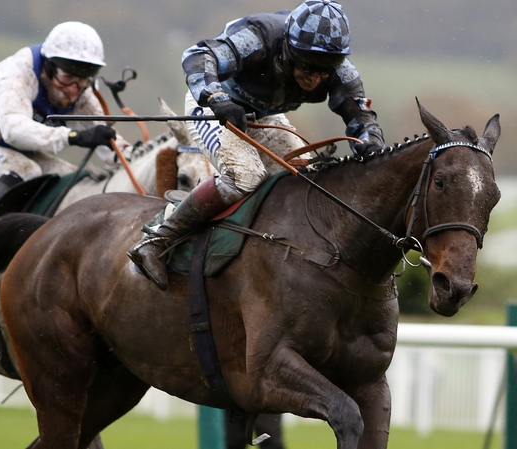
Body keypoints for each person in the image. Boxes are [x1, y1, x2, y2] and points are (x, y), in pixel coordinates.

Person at [128, 0, 385, 290]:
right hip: (212, 109)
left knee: (307, 178)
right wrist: (217, 98)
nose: (315, 78)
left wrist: (371, 143)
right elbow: (198, 55)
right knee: (245, 177)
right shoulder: (259, 36)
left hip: (264, 115)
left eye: (325, 70)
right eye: (307, 65)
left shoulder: (339, 69)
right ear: (288, 47)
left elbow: (362, 118)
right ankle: (157, 240)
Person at [0, 21, 126, 274]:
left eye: (82, 81)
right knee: (26, 170)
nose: (73, 90)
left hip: (13, 156)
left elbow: (107, 142)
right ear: (48, 66)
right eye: (67, 78)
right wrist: (74, 136)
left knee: (72, 178)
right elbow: (13, 130)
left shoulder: (79, 89)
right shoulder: (19, 73)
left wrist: (135, 155)